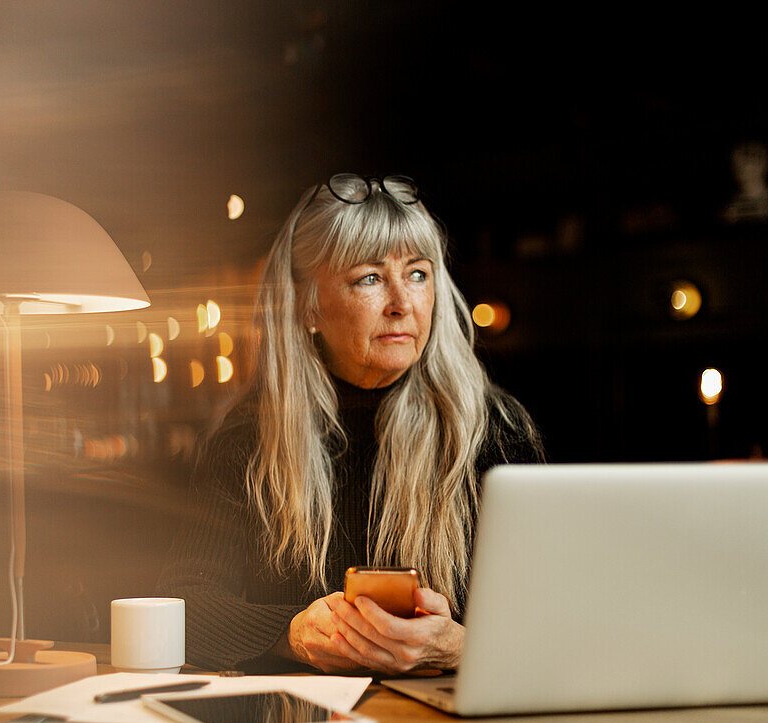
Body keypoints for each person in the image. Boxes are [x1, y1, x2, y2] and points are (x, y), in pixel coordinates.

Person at [156, 174, 544, 674]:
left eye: (418, 274)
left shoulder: (495, 430)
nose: (402, 303)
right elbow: (184, 606)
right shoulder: (248, 439)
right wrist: (289, 633)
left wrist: (464, 645)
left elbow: (554, 621)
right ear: (308, 306)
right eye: (370, 278)